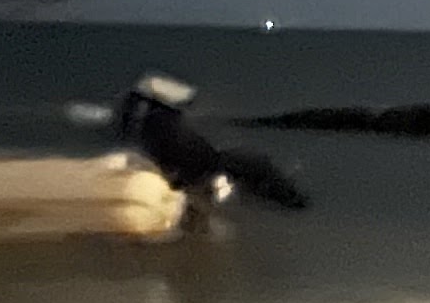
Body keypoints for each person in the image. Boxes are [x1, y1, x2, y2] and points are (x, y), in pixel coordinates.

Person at [112, 74, 311, 213]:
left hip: (193, 164)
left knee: (252, 167)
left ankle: (285, 199)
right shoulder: (162, 123)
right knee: (256, 166)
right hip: (198, 165)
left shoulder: (143, 121)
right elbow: (189, 153)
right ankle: (291, 201)